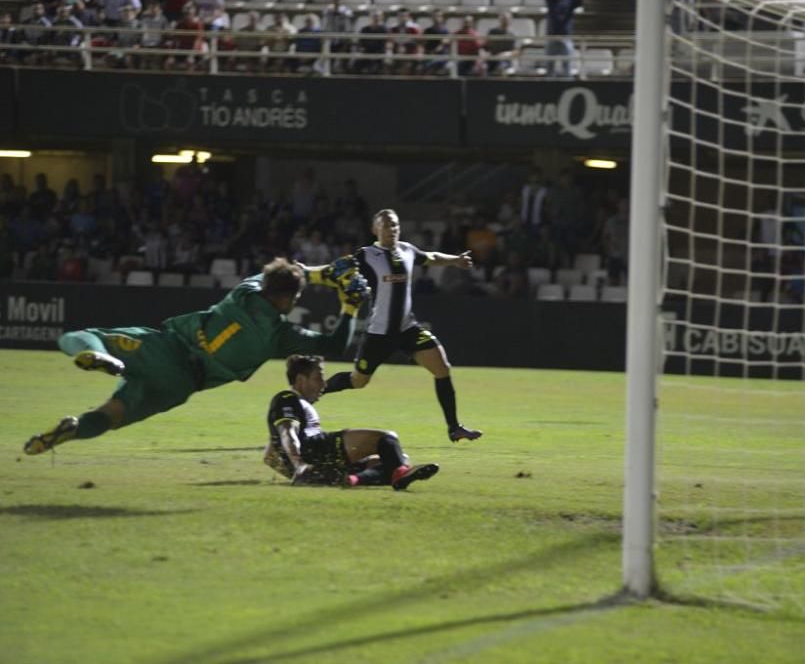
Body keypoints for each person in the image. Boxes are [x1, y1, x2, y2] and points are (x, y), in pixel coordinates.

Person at [24, 256, 368, 455]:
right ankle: (74, 429)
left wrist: (322, 273)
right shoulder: (280, 336)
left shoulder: (243, 291)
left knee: (79, 336)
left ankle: (102, 357)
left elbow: (281, 274)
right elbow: (336, 345)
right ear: (290, 301)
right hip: (183, 384)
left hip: (166, 349)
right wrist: (349, 305)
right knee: (111, 416)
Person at [324, 209, 483, 443]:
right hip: (379, 333)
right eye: (386, 225)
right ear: (375, 230)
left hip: (408, 328)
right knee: (359, 381)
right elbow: (337, 271)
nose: (392, 230)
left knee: (442, 367)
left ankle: (454, 427)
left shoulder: (407, 250)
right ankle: (316, 390)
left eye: (395, 225)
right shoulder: (366, 255)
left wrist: (456, 261)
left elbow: (431, 257)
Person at [263, 354, 439, 490]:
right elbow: (288, 432)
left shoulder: (294, 404)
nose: (323, 384)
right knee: (387, 439)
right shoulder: (287, 398)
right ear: (301, 380)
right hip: (317, 449)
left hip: (319, 463)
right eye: (318, 378)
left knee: (392, 460)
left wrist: (300, 472)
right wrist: (299, 465)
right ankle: (400, 475)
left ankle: (355, 479)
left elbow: (270, 456)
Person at [544, 0, 582, 77]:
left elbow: (581, 0)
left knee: (567, 66)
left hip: (565, 37)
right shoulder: (551, 0)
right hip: (552, 37)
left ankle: (568, 83)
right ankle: (547, 86)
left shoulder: (570, 0)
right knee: (549, 67)